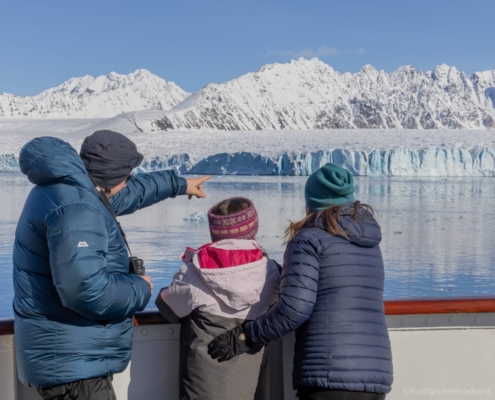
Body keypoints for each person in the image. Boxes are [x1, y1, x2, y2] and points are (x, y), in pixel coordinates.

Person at [12, 130, 209, 400]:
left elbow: (129, 194)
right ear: (111, 176)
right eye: (127, 176)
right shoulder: (78, 208)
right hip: (75, 365)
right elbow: (84, 289)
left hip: (68, 355)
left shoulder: (66, 190)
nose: (129, 182)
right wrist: (139, 288)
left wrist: (179, 184)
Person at [208, 163, 393, 400]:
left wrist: (245, 336)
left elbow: (296, 308)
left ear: (312, 202)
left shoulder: (308, 239)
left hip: (328, 375)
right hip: (376, 377)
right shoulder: (370, 242)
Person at [155, 197, 281, 400]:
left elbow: (168, 308)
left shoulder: (194, 273)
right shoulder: (273, 272)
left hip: (203, 387)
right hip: (253, 384)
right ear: (252, 228)